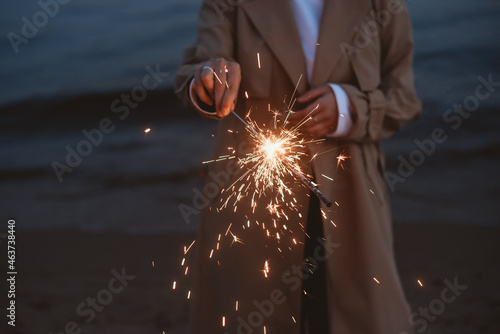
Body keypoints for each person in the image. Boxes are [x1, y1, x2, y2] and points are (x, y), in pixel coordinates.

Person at [175, 0, 421, 333]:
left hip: (352, 201)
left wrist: (348, 107)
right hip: (251, 206)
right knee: (250, 317)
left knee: (360, 315)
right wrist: (207, 81)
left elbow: (404, 98)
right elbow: (195, 71)